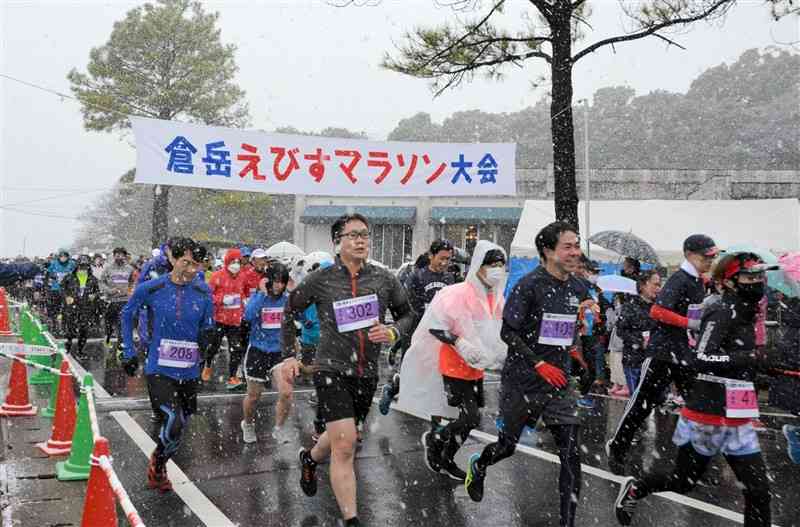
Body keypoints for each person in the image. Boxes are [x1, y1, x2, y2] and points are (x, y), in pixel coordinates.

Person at [615, 252, 799, 527]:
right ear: (729, 282)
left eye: (760, 276)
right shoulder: (721, 310)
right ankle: (636, 489)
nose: (757, 282)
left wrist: (769, 365)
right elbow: (701, 357)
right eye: (749, 277)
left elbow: (745, 360)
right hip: (707, 413)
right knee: (683, 481)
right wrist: (747, 358)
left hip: (739, 414)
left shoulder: (750, 312)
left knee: (759, 491)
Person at [281, 213, 414, 527]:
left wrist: (394, 331)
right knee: (345, 446)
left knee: (347, 435)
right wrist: (289, 355)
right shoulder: (322, 279)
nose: (360, 241)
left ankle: (309, 458)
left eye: (364, 235)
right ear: (337, 241)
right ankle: (351, 520)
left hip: (366, 373)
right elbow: (289, 311)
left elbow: (408, 314)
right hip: (331, 369)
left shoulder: (383, 279)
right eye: (352, 235)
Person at [464, 221, 589, 527]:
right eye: (568, 246)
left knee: (571, 457)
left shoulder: (577, 286)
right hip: (523, 380)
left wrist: (577, 336)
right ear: (548, 251)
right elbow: (509, 333)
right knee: (507, 446)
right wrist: (538, 363)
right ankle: (479, 464)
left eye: (577, 245)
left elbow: (562, 331)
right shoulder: (529, 285)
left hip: (559, 383)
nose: (576, 252)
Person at [606, 234, 718, 475]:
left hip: (684, 354)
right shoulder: (679, 279)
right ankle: (617, 446)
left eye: (713, 256)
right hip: (662, 352)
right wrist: (689, 323)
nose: (710, 260)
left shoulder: (699, 280)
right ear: (690, 254)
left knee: (698, 407)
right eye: (706, 256)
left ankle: (696, 463)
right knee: (642, 405)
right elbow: (657, 311)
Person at [398, 240, 507, 481]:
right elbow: (436, 326)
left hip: (477, 368)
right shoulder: (457, 293)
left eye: (501, 265)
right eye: (492, 264)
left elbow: (498, 330)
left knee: (469, 421)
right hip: (454, 366)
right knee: (470, 417)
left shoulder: (496, 298)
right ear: (479, 265)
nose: (497, 270)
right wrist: (460, 343)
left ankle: (446, 455)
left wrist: (501, 351)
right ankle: (436, 440)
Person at [119, 238, 213, 492]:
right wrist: (128, 351)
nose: (191, 270)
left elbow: (207, 325)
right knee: (174, 419)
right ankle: (158, 465)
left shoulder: (203, 291)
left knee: (179, 430)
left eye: (197, 265)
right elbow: (127, 315)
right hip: (159, 368)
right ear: (172, 258)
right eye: (186, 263)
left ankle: (159, 463)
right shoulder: (152, 287)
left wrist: (207, 342)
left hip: (189, 371)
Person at [379, 239, 455, 415]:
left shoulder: (450, 278)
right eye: (441, 258)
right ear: (431, 256)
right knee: (412, 369)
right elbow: (407, 308)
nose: (444, 263)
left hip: (440, 333)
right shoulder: (417, 277)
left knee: (436, 373)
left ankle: (434, 419)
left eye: (448, 259)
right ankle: (392, 388)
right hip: (417, 331)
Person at [240, 263, 291, 443]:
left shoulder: (286, 299)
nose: (279, 286)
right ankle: (247, 424)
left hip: (279, 353)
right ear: (268, 281)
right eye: (276, 282)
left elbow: (299, 316)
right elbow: (247, 316)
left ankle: (279, 428)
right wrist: (261, 293)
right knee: (254, 396)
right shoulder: (260, 298)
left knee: (286, 393)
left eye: (282, 282)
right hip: (257, 351)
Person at [204, 248, 248, 387]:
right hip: (219, 319)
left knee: (236, 348)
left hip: (235, 320)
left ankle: (232, 377)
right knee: (214, 346)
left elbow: (245, 292)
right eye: (233, 261)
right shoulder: (217, 276)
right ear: (227, 262)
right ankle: (208, 364)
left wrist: (245, 300)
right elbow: (208, 296)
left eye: (238, 262)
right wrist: (221, 299)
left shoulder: (242, 276)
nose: (236, 264)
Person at [616, 270, 661, 396]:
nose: (658, 288)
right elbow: (620, 330)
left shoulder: (659, 306)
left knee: (655, 398)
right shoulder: (630, 306)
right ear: (642, 286)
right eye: (655, 284)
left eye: (659, 285)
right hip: (634, 360)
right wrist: (640, 341)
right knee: (637, 400)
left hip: (655, 360)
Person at [60, 255, 101, 360]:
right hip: (72, 307)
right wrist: (67, 297)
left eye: (85, 266)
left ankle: (80, 350)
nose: (83, 268)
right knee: (70, 329)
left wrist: (94, 295)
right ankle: (68, 347)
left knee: (84, 330)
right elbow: (62, 288)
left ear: (88, 266)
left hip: (86, 307)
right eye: (81, 266)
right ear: (77, 266)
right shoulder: (69, 277)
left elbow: (97, 291)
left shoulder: (93, 279)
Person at [100, 247, 135, 352]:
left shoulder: (129, 268)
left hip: (124, 301)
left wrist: (129, 291)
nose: (118, 256)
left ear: (124, 256)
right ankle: (108, 339)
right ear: (113, 256)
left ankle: (121, 346)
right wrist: (110, 291)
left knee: (122, 325)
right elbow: (101, 282)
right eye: (116, 254)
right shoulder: (108, 268)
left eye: (121, 255)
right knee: (109, 323)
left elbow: (133, 282)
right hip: (111, 301)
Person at [45, 248, 76, 330]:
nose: (63, 258)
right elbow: (48, 274)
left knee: (67, 308)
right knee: (55, 308)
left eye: (65, 256)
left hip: (67, 290)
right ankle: (54, 324)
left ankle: (65, 325)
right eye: (61, 256)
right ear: (59, 257)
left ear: (67, 257)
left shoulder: (72, 264)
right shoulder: (54, 263)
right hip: (55, 289)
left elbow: (76, 273)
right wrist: (52, 277)